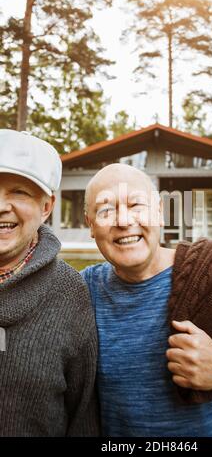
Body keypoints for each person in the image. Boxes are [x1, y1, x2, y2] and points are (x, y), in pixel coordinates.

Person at [82, 163, 212, 438]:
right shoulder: (84, 290)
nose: (123, 220)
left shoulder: (209, 277)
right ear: (90, 225)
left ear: (160, 213)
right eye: (105, 210)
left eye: (136, 205)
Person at [0, 129, 100, 437]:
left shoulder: (69, 292)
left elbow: (83, 413)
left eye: (20, 192)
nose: (1, 205)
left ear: (46, 207)